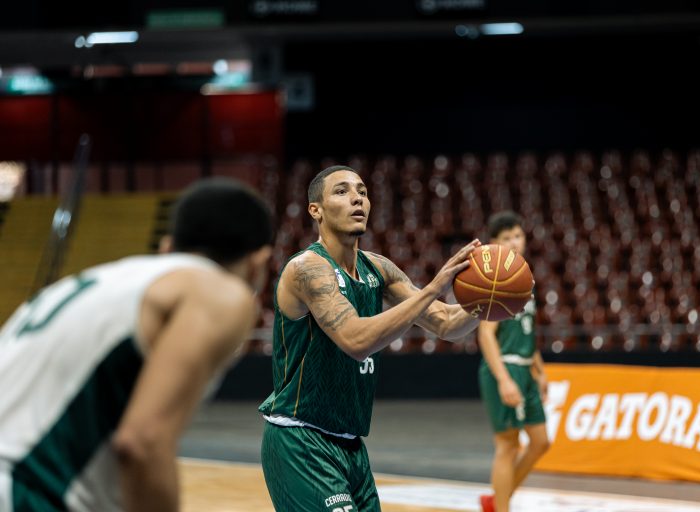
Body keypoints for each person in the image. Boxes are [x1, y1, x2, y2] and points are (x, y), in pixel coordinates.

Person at [0, 177, 273, 512]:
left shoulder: (93, 281)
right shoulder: (219, 290)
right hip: (23, 493)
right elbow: (143, 443)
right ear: (259, 262)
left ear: (167, 247)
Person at [259, 165, 486, 511]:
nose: (357, 199)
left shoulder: (378, 268)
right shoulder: (307, 269)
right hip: (300, 439)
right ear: (315, 210)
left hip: (350, 445)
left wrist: (491, 302)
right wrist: (433, 288)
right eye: (342, 191)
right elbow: (355, 340)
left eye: (362, 192)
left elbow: (446, 324)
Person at [477, 211, 549, 512]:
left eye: (518, 236)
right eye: (506, 238)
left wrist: (539, 370)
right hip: (504, 367)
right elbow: (486, 334)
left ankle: (497, 500)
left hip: (525, 366)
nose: (514, 242)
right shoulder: (495, 279)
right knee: (507, 446)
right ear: (494, 244)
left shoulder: (526, 279)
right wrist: (504, 379)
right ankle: (501, 506)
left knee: (541, 441)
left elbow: (526, 332)